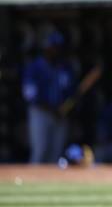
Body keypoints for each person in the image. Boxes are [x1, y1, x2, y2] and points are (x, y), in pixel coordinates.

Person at [22, 32, 75, 163]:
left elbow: (71, 92)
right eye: (54, 47)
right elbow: (30, 95)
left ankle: (52, 183)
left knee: (56, 153)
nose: (57, 50)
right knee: (40, 150)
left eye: (59, 47)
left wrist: (67, 107)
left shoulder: (65, 67)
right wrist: (52, 110)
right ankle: (31, 181)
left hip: (61, 114)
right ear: (47, 48)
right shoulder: (34, 68)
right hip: (40, 113)